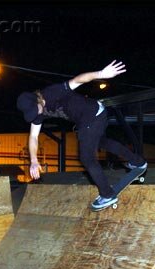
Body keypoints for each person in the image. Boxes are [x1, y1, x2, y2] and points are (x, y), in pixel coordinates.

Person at [16, 60, 147, 211]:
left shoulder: (52, 92)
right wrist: (33, 160)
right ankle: (137, 161)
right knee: (101, 142)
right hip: (94, 115)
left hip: (91, 115)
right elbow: (33, 137)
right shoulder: (37, 114)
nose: (37, 114)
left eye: (36, 110)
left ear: (37, 99)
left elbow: (77, 80)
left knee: (86, 157)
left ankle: (107, 194)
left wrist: (101, 74)